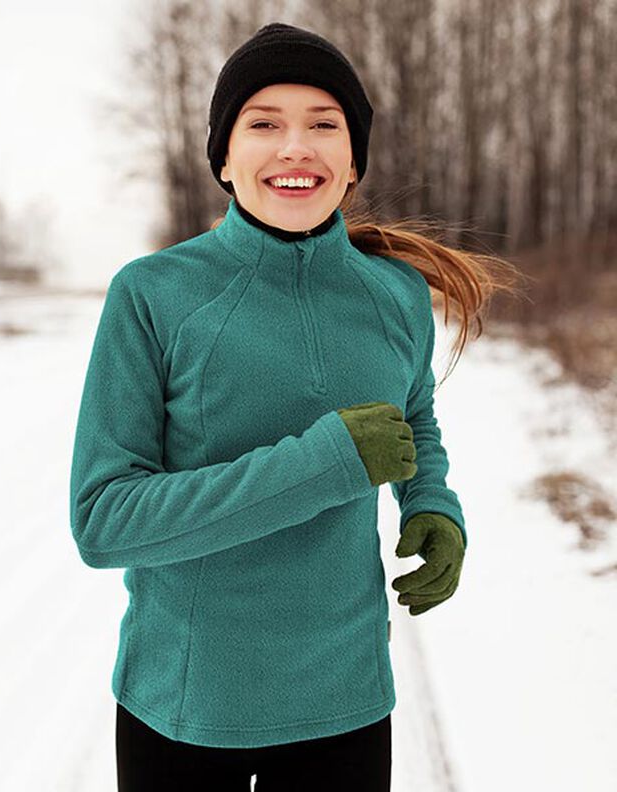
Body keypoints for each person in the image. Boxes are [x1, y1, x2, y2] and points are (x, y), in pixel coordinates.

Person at [69, 22, 519, 792]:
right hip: (186, 706)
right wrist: (322, 465)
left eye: (323, 124)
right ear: (224, 156)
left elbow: (411, 418)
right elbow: (105, 520)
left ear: (352, 161)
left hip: (346, 703)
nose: (294, 147)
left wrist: (433, 502)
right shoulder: (152, 295)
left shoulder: (397, 293)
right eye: (264, 124)